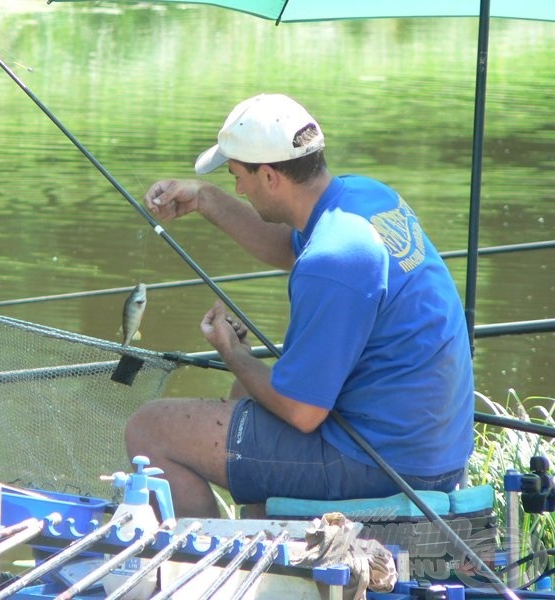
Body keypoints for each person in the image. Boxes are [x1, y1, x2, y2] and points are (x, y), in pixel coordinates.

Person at [125, 93, 475, 518]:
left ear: (270, 177)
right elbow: (285, 248)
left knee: (151, 429)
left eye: (238, 176)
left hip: (385, 465)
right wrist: (204, 198)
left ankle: (210, 573)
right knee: (244, 396)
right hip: (433, 448)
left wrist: (235, 354)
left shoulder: (334, 260)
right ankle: (257, 537)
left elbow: (302, 412)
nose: (237, 187)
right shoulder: (366, 197)